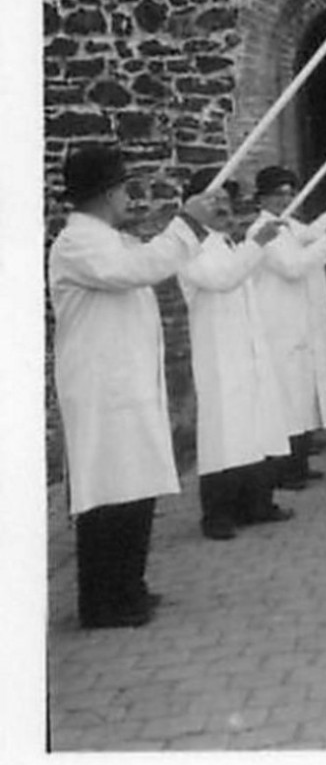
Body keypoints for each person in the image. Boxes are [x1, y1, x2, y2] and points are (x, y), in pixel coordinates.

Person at [48, 144, 217, 629]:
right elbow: (140, 270)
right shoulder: (78, 243)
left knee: (134, 485)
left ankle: (129, 586)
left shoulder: (108, 238)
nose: (129, 196)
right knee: (108, 492)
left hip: (124, 381)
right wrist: (185, 222)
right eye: (122, 187)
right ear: (103, 194)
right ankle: (103, 602)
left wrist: (185, 228)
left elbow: (145, 260)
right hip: (101, 388)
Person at [177, 169, 296, 541]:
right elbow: (222, 279)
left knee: (256, 424)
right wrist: (256, 243)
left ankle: (257, 502)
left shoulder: (227, 242)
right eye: (216, 204)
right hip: (218, 350)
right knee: (224, 429)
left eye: (227, 203)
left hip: (247, 346)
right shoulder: (189, 247)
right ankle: (217, 513)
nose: (225, 211)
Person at [247, 166, 326, 490]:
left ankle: (300, 463)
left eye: (289, 193)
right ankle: (285, 470)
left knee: (302, 396)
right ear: (262, 198)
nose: (284, 199)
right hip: (276, 324)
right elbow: (293, 267)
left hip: (296, 323)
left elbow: (312, 233)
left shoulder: (286, 225)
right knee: (286, 398)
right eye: (277, 194)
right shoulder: (261, 231)